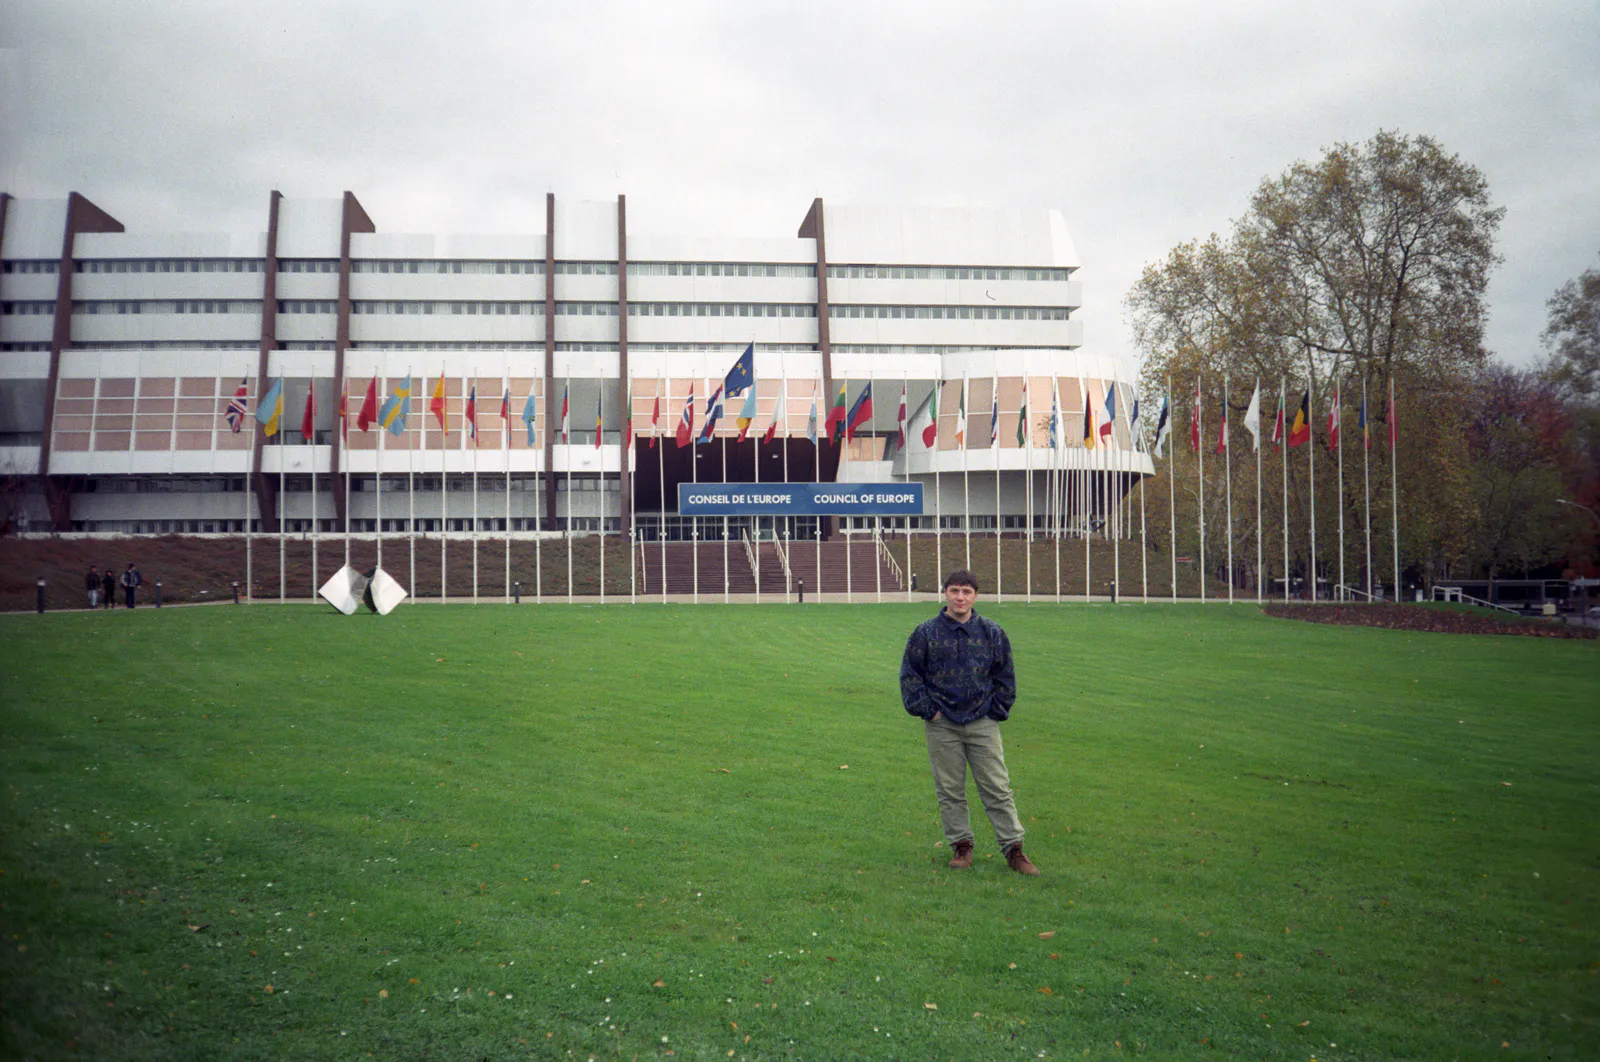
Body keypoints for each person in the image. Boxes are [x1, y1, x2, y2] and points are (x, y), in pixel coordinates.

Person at [900, 569, 1039, 876]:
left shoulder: (992, 633)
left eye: (966, 591)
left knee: (997, 788)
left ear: (975, 596)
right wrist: (929, 711)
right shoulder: (925, 633)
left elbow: (1005, 676)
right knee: (950, 789)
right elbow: (910, 676)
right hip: (942, 724)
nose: (960, 597)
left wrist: (996, 710)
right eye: (954, 591)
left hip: (982, 723)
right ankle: (961, 846)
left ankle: (1014, 848)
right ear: (945, 593)